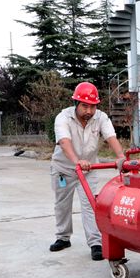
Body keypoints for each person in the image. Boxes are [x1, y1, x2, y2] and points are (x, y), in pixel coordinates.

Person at [49, 82, 124, 260]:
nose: (89, 111)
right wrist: (77, 161)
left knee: (90, 205)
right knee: (62, 205)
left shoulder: (101, 117)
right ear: (76, 103)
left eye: (92, 106)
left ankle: (95, 243)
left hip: (89, 169)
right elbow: (64, 141)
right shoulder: (63, 117)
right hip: (64, 169)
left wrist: (121, 156)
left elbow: (110, 137)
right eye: (84, 106)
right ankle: (63, 237)